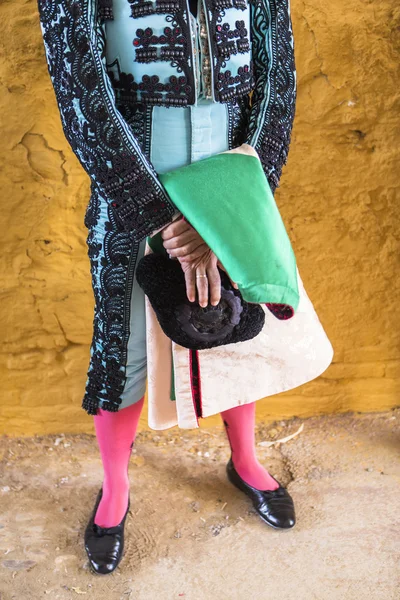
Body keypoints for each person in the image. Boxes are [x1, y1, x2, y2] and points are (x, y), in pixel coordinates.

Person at [37, 0, 332, 575]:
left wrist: (232, 205)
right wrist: (159, 214)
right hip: (134, 181)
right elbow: (81, 91)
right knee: (124, 350)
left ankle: (244, 460)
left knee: (235, 327)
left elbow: (278, 82)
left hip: (232, 174)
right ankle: (115, 491)